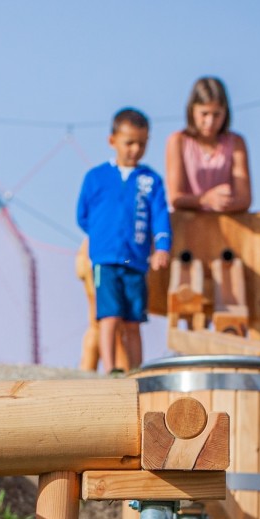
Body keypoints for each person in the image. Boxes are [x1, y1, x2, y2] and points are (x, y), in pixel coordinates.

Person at [76, 107, 170, 375]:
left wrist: (161, 247)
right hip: (104, 260)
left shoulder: (151, 181)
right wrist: (101, 236)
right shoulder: (96, 177)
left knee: (133, 320)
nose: (135, 149)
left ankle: (137, 371)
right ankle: (112, 369)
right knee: (108, 317)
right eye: (129, 142)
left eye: (142, 143)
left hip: (136, 262)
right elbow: (82, 215)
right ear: (112, 140)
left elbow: (160, 217)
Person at [164, 76, 252, 213]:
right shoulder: (178, 141)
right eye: (204, 114)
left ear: (226, 112)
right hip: (187, 227)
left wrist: (224, 202)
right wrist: (205, 200)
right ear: (192, 110)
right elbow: (175, 198)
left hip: (227, 228)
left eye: (216, 115)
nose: (210, 122)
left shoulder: (236, 143)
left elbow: (245, 199)